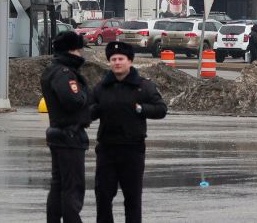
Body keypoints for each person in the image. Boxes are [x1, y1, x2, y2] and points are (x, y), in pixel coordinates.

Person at [92, 41, 167, 223]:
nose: (117, 62)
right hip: (106, 150)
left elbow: (161, 109)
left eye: (121, 59)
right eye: (113, 59)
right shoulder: (101, 87)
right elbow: (88, 110)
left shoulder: (142, 86)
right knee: (103, 197)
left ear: (130, 61)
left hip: (132, 150)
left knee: (132, 199)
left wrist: (142, 109)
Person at [41, 30, 93, 222]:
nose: (81, 54)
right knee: (72, 187)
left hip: (60, 135)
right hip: (70, 135)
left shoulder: (54, 70)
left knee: (59, 185)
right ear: (72, 50)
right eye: (79, 50)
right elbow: (73, 100)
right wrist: (86, 95)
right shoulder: (64, 73)